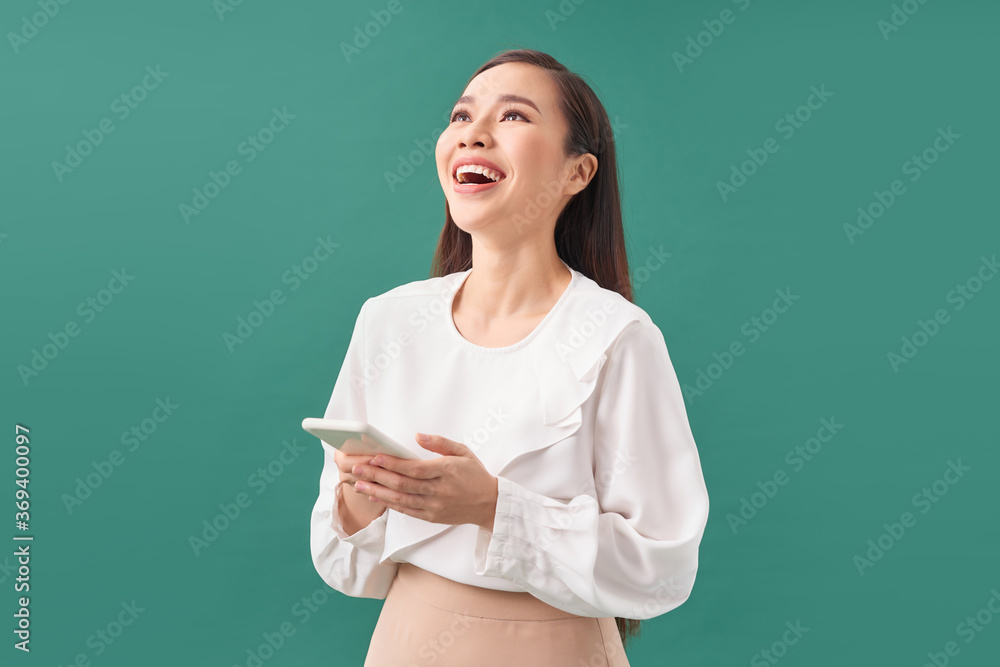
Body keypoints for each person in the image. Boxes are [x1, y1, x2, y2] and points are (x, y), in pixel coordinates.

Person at [310, 48, 710, 666]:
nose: (474, 132)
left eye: (515, 117)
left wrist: (494, 507)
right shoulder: (387, 320)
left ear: (578, 173)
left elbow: (663, 568)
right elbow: (345, 567)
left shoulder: (616, 336)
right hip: (404, 645)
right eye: (461, 115)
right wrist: (367, 496)